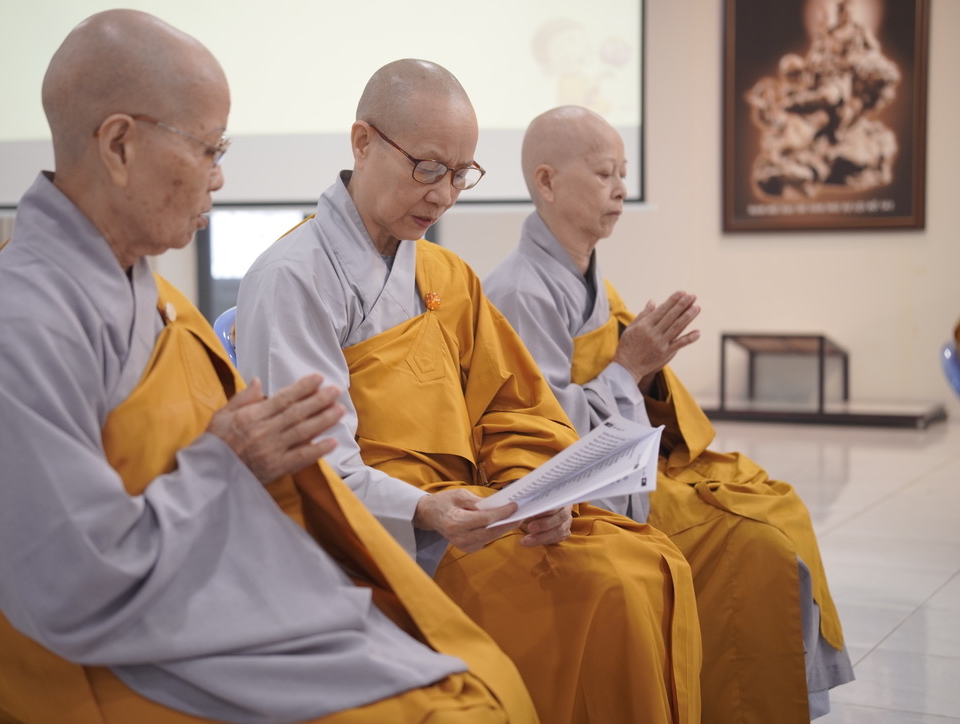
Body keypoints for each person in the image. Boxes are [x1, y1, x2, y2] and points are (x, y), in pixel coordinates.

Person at [0, 11, 540, 724]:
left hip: (193, 583)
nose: (219, 176)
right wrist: (226, 461)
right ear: (119, 145)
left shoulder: (153, 298)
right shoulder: (14, 325)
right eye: (208, 148)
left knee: (473, 684)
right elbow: (69, 589)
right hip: (91, 647)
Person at [236, 59, 703, 724]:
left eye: (461, 174)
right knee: (610, 590)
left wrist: (537, 493)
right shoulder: (293, 278)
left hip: (477, 512)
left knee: (647, 564)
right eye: (429, 168)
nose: (445, 194)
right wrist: (426, 509)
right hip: (382, 540)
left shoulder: (447, 275)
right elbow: (313, 469)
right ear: (363, 142)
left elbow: (514, 409)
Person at [484, 105, 855, 723]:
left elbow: (620, 383)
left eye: (623, 173)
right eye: (605, 173)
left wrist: (647, 368)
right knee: (758, 540)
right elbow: (536, 430)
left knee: (775, 503)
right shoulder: (520, 291)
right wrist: (629, 366)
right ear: (547, 182)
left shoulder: (587, 277)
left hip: (626, 464)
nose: (621, 189)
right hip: (589, 495)